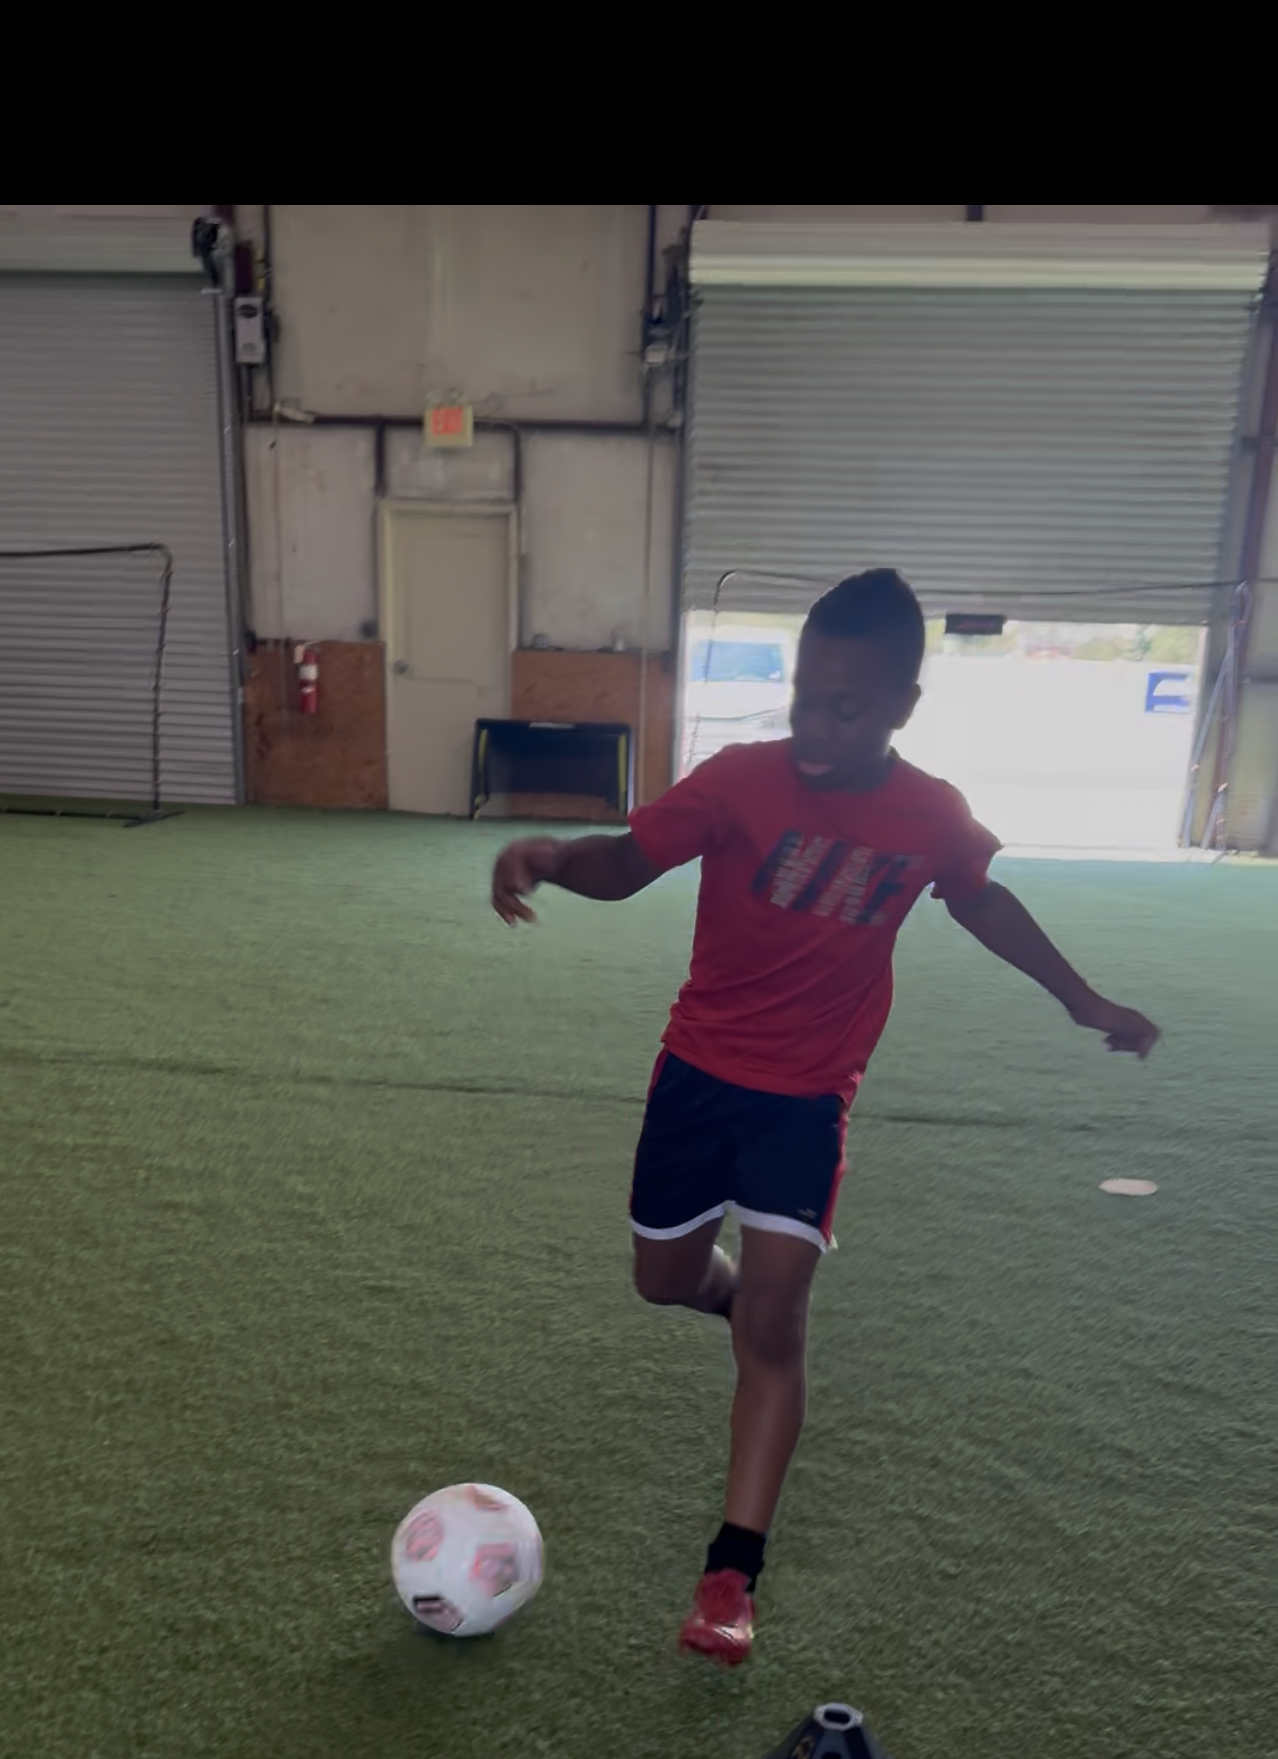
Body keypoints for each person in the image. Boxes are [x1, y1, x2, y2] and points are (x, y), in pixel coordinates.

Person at [491, 569, 1160, 1666]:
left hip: (808, 1098)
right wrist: (556, 862)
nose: (814, 724)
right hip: (698, 1074)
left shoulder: (929, 812)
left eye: (845, 706)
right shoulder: (739, 783)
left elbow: (979, 895)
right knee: (662, 1278)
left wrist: (1082, 998)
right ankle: (743, 1307)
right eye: (803, 695)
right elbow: (631, 861)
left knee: (778, 1327)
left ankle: (731, 1574)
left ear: (904, 701)